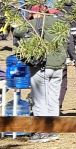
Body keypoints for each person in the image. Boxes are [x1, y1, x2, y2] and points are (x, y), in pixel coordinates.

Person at [25, 12, 67, 141]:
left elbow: (18, 31)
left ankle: (42, 131)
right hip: (58, 66)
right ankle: (53, 130)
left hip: (42, 66)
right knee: (53, 99)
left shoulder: (37, 23)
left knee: (39, 99)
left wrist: (31, 21)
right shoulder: (62, 23)